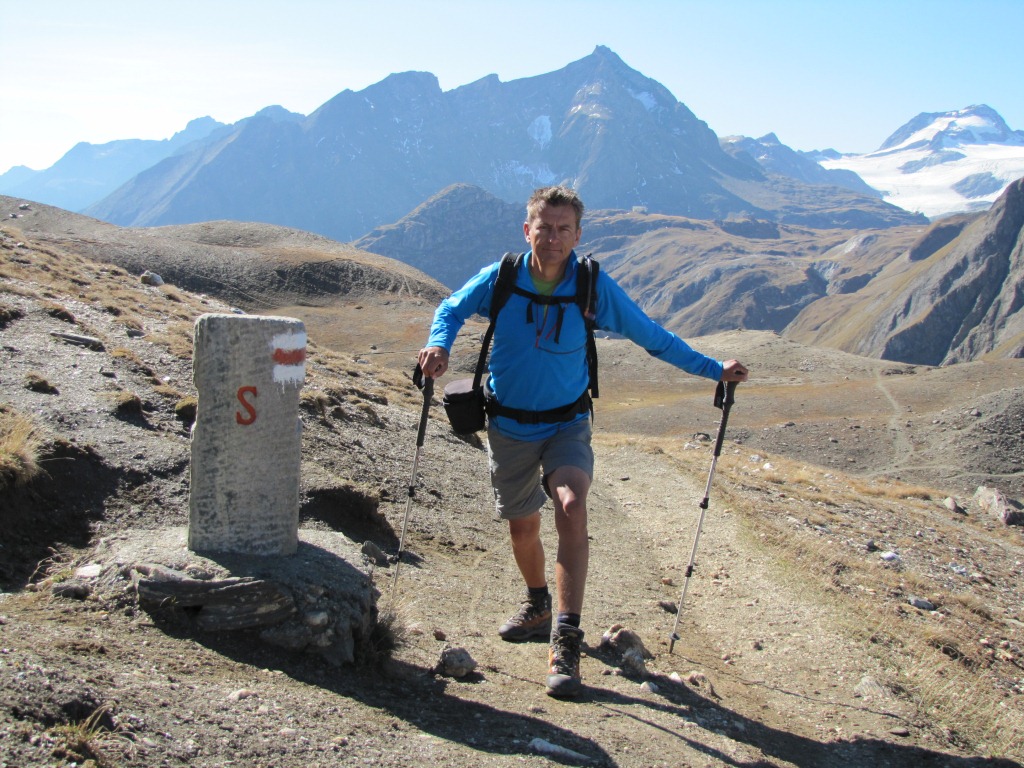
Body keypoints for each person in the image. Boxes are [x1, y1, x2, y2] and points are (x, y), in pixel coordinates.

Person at [418, 185, 748, 698]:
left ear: (577, 234)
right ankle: (538, 603)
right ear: (527, 230)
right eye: (543, 227)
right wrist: (438, 344)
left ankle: (565, 641)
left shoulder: (591, 285)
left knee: (571, 505)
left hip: (567, 424)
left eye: (562, 229)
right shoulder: (501, 278)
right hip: (508, 426)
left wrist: (712, 370)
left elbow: (650, 335)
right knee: (522, 528)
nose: (551, 237)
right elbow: (450, 309)